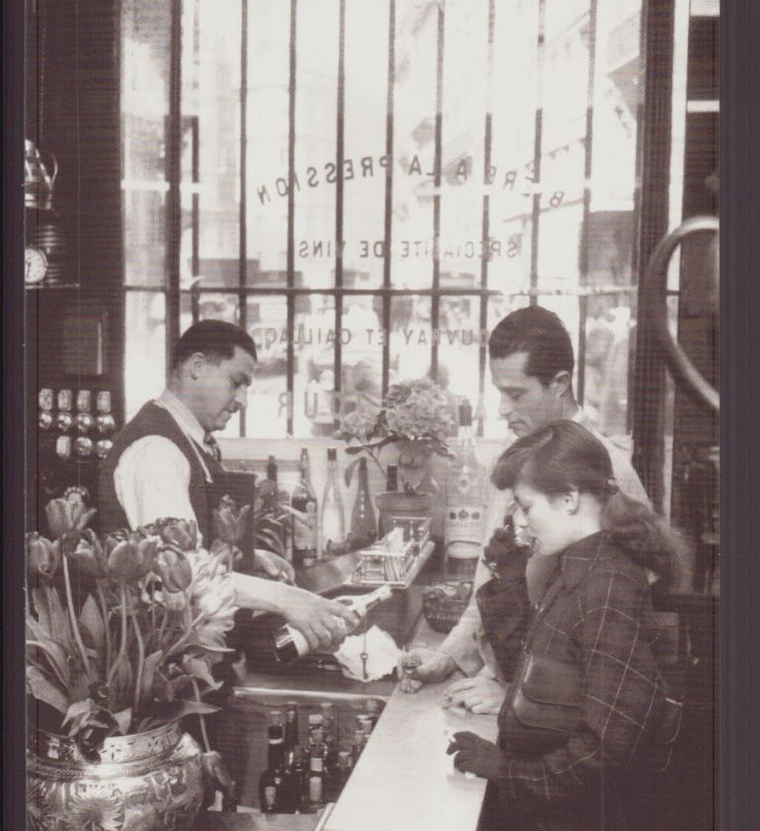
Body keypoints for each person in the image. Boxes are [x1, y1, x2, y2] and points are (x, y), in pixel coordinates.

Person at [445, 420, 687, 831]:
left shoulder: (607, 588)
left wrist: (503, 768)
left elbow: (608, 751)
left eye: (527, 507)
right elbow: (542, 677)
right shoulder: (575, 571)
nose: (522, 522)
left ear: (571, 499)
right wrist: (508, 573)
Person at [401, 304, 649, 712]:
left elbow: (614, 644)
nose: (502, 410)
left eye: (516, 394)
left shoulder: (608, 470)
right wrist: (449, 656)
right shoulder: (520, 457)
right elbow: (493, 576)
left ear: (560, 383)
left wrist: (522, 699)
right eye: (499, 392)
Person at [98, 320, 358, 652]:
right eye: (236, 383)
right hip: (155, 655)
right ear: (196, 366)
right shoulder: (156, 450)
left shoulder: (189, 439)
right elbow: (180, 571)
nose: (243, 400)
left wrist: (254, 556)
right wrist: (288, 599)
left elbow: (190, 550)